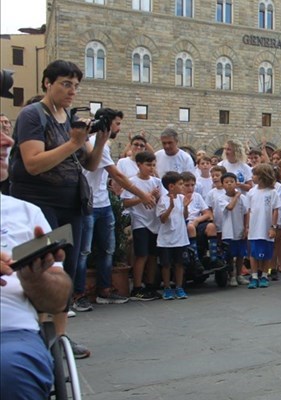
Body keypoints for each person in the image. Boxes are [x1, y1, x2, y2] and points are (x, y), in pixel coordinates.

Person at [9, 60, 105, 358]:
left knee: (66, 270)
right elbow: (34, 163)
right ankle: (36, 334)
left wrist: (99, 140)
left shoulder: (71, 118)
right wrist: (75, 142)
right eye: (65, 83)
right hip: (38, 204)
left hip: (71, 203)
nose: (72, 91)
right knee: (42, 269)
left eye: (76, 85)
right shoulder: (32, 115)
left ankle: (60, 338)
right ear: (47, 83)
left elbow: (90, 164)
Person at [1, 121, 72, 400]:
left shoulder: (27, 214)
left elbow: (57, 301)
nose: (8, 142)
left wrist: (35, 279)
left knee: (9, 371)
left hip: (9, 336)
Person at [81, 108, 155, 306]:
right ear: (106, 123)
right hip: (87, 204)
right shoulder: (92, 142)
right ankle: (77, 296)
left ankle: (104, 292)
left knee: (108, 250)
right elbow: (118, 176)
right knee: (84, 251)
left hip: (103, 203)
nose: (119, 129)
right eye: (117, 124)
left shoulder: (103, 144)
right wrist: (143, 195)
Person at [122, 151, 163, 301]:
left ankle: (150, 285)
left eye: (153, 165)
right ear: (139, 165)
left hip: (154, 222)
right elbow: (125, 202)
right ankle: (137, 287)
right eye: (148, 165)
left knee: (152, 255)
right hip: (140, 222)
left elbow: (161, 201)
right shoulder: (132, 182)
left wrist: (157, 197)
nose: (151, 168)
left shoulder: (156, 182)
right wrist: (142, 198)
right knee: (142, 255)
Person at [156, 171, 190, 300]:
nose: (182, 187)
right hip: (166, 239)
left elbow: (185, 216)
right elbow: (163, 219)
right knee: (166, 264)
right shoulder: (163, 200)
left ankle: (179, 287)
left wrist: (186, 207)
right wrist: (170, 207)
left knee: (179, 263)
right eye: (180, 184)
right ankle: (167, 287)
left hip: (180, 237)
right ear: (171, 186)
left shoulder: (182, 199)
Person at [245, 164, 280, 289]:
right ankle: (254, 276)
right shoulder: (251, 192)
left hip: (266, 227)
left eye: (254, 174)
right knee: (253, 252)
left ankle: (264, 275)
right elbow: (249, 210)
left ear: (262, 177)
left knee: (267, 252)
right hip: (254, 228)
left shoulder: (272, 192)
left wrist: (273, 227)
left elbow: (275, 210)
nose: (252, 177)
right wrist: (247, 226)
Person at [215, 172, 249, 287]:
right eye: (226, 182)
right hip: (229, 231)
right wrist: (235, 197)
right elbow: (229, 207)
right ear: (223, 184)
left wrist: (246, 227)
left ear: (236, 183)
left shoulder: (243, 198)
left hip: (240, 229)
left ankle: (239, 274)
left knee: (240, 254)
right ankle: (232, 275)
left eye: (232, 182)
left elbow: (246, 213)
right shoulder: (221, 198)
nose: (229, 184)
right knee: (230, 254)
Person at [181, 172, 217, 266]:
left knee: (211, 226)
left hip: (197, 221)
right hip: (184, 223)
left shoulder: (197, 196)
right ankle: (195, 260)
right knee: (190, 227)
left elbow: (207, 213)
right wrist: (192, 222)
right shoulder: (179, 197)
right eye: (187, 185)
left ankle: (214, 259)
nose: (190, 188)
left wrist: (197, 220)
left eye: (192, 185)